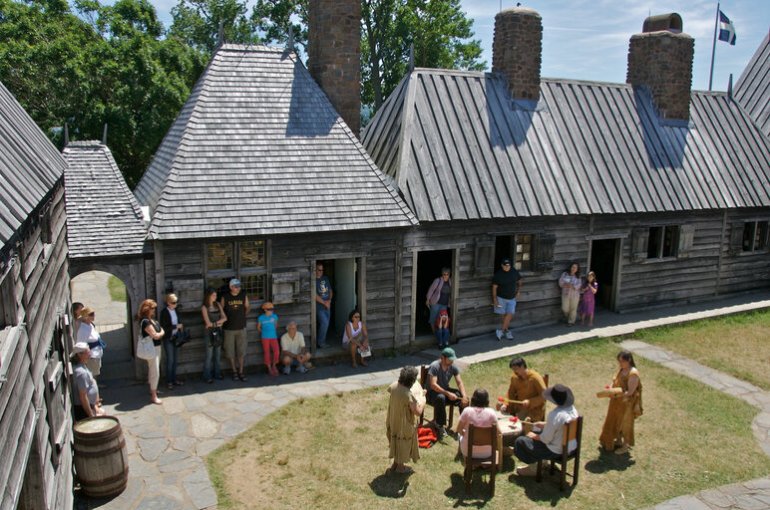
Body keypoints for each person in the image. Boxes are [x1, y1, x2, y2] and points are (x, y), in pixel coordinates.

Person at [514, 384, 579, 476]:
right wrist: (545, 424)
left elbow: (545, 439)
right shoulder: (573, 410)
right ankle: (542, 463)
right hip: (571, 447)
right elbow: (560, 425)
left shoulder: (555, 415)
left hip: (555, 450)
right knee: (536, 430)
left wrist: (534, 436)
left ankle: (534, 468)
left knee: (520, 441)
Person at [600, 351, 643, 455]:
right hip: (616, 401)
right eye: (619, 361)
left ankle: (625, 445)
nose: (620, 363)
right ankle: (618, 440)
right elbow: (615, 381)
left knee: (625, 424)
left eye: (622, 361)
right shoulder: (622, 369)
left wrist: (616, 394)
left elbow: (630, 392)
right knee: (615, 420)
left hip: (626, 403)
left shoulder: (633, 373)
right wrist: (610, 389)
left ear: (629, 360)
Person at [386, 366, 424, 474]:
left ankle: (395, 463)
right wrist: (423, 399)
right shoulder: (408, 394)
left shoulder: (394, 385)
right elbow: (418, 412)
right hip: (404, 423)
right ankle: (400, 467)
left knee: (395, 439)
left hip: (393, 419)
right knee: (403, 442)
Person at [425, 347, 468, 438]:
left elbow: (459, 382)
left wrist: (464, 396)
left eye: (453, 359)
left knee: (462, 398)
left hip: (443, 392)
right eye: (450, 359)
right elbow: (433, 385)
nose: (452, 361)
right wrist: (448, 393)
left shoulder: (453, 367)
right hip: (431, 394)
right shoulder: (435, 366)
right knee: (441, 398)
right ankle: (440, 425)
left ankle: (465, 425)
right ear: (443, 358)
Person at [221, 278, 250, 381]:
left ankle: (241, 371)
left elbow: (248, 307)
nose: (238, 288)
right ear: (231, 287)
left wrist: (243, 316)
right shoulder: (225, 297)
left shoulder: (243, 295)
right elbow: (221, 310)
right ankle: (234, 371)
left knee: (241, 351)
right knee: (230, 351)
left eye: (239, 286)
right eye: (236, 286)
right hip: (228, 328)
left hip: (241, 327)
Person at [501, 357, 547, 421]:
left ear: (522, 366)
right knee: (500, 406)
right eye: (513, 369)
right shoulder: (514, 377)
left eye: (516, 369)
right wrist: (505, 404)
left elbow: (545, 396)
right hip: (519, 407)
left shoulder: (535, 377)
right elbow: (510, 392)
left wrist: (530, 402)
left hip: (534, 409)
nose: (514, 371)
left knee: (522, 421)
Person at [136, 299, 164, 405]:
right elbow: (155, 335)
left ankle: (153, 390)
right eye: (152, 308)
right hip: (152, 349)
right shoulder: (146, 322)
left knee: (153, 370)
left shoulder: (151, 320)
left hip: (156, 348)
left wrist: (160, 332)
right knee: (155, 372)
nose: (154, 310)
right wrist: (162, 332)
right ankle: (154, 396)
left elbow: (159, 331)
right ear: (147, 309)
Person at [456, 388, 498, 459]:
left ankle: (459, 454)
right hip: (487, 453)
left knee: (459, 435)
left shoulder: (467, 411)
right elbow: (498, 432)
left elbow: (458, 429)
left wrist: (465, 433)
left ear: (473, 399)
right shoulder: (492, 413)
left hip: (468, 452)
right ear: (487, 401)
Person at [71, 342, 105, 421]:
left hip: (92, 405)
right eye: (88, 352)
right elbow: (83, 396)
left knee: (103, 413)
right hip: (83, 409)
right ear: (79, 355)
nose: (90, 354)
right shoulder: (81, 373)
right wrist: (91, 415)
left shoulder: (82, 366)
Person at [492, 258, 522, 341]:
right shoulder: (498, 275)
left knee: (510, 313)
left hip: (512, 298)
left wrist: (518, 291)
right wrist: (495, 299)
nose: (507, 267)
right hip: (501, 298)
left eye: (508, 265)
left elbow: (520, 281)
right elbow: (494, 288)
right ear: (502, 265)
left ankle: (501, 331)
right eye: (505, 266)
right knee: (503, 315)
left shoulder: (514, 271)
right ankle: (506, 331)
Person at [201, 287, 226, 384]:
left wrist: (215, 324)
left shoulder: (218, 304)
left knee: (218, 354)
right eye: (213, 295)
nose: (215, 297)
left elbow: (225, 318)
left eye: (216, 295)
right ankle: (206, 376)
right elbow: (207, 323)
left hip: (218, 332)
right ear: (208, 296)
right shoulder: (204, 307)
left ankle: (217, 373)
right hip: (209, 334)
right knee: (209, 355)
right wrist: (219, 323)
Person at [159, 293, 184, 390]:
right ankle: (169, 381)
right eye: (173, 302)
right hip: (168, 338)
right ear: (168, 302)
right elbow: (164, 327)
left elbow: (180, 321)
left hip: (176, 337)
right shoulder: (164, 312)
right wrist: (175, 326)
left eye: (176, 302)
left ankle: (174, 379)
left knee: (175, 360)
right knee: (170, 360)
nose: (175, 304)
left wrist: (180, 327)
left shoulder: (176, 310)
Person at [77, 306, 103, 378]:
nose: (93, 316)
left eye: (93, 314)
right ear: (85, 317)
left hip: (97, 354)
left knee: (95, 373)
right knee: (92, 375)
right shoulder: (82, 330)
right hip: (91, 356)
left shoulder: (90, 325)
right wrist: (85, 357)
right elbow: (81, 345)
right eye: (91, 314)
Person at [258, 301, 280, 376]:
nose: (271, 311)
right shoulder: (261, 317)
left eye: (272, 309)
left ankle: (274, 365)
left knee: (277, 351)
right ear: (265, 310)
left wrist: (271, 332)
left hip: (273, 337)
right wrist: (264, 332)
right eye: (269, 309)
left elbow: (276, 326)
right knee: (267, 352)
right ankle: (269, 368)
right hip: (265, 337)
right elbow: (258, 327)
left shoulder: (275, 316)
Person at [426, 268, 451, 332]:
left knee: (442, 320)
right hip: (435, 303)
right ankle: (435, 333)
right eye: (444, 274)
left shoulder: (451, 282)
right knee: (433, 319)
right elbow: (431, 290)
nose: (445, 276)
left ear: (449, 275)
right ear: (442, 274)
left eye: (447, 274)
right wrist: (428, 299)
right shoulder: (438, 280)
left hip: (444, 304)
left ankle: (439, 334)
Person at [315, 263, 333, 348]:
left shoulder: (325, 278)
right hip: (319, 306)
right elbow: (314, 295)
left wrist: (329, 300)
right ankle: (321, 342)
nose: (321, 271)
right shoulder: (313, 280)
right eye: (319, 270)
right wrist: (324, 303)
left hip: (327, 305)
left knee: (326, 323)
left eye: (322, 270)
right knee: (324, 323)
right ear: (315, 270)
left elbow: (330, 291)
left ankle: (321, 341)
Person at [559, 262, 582, 326]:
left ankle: (571, 322)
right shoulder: (565, 274)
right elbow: (560, 282)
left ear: (577, 269)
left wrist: (573, 286)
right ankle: (569, 317)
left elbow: (579, 285)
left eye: (575, 268)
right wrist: (565, 284)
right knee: (564, 308)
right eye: (573, 267)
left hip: (575, 295)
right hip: (565, 294)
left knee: (573, 309)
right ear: (570, 267)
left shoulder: (578, 276)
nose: (574, 269)